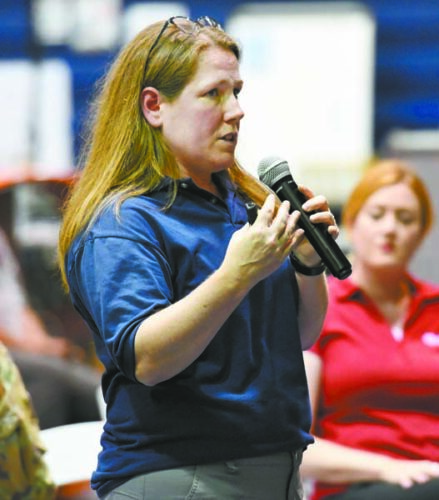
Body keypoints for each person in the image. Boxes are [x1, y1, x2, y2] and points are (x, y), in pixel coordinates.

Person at [57, 16, 339, 500]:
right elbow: (148, 359)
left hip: (277, 471)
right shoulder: (124, 222)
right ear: (154, 106)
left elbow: (299, 336)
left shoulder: (244, 204)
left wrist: (308, 265)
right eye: (213, 94)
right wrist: (236, 275)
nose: (236, 111)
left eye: (237, 92)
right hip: (183, 476)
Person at [300, 159, 439, 500]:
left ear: (422, 233)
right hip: (356, 486)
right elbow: (296, 442)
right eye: (377, 215)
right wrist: (389, 468)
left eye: (405, 219)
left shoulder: (435, 306)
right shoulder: (319, 309)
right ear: (352, 223)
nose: (390, 228)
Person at [0, 226, 102, 429]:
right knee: (50, 382)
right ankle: (33, 449)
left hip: (23, 351)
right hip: (8, 352)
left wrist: (43, 344)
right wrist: (29, 348)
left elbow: (19, 306)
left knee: (94, 389)